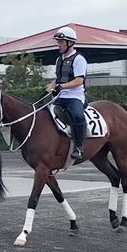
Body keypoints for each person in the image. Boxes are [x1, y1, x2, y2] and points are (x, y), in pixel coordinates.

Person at [46, 26, 88, 160]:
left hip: (74, 97)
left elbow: (79, 81)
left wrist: (61, 87)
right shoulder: (59, 59)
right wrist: (49, 88)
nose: (58, 45)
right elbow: (57, 79)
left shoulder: (79, 59)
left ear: (70, 43)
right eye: (58, 42)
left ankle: (79, 147)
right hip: (60, 96)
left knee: (78, 116)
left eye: (61, 42)